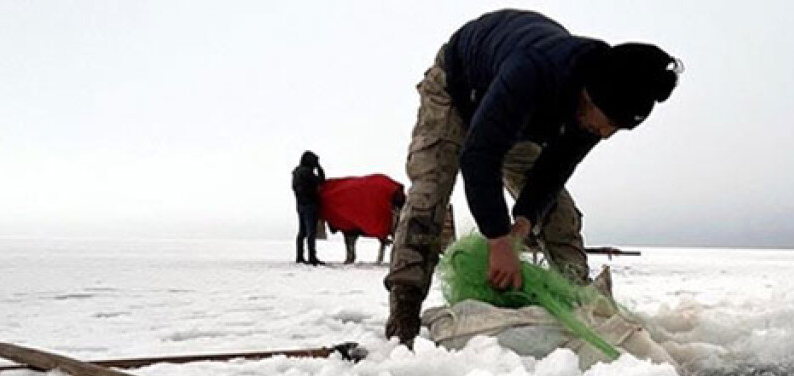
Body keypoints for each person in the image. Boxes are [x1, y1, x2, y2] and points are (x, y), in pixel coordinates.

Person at [382, 9, 681, 346]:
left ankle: (578, 302)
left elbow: (553, 170)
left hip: (521, 120)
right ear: (590, 94)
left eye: (617, 128)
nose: (606, 133)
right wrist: (498, 240)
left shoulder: (593, 115)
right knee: (430, 193)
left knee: (559, 214)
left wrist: (524, 220)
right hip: (458, 90)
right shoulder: (532, 71)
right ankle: (404, 310)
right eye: (608, 122)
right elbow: (480, 157)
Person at [292, 151, 326, 265]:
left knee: (302, 232)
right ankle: (312, 257)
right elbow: (321, 181)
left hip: (300, 205)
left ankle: (300, 256)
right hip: (310, 205)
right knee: (311, 232)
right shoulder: (307, 173)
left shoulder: (296, 173)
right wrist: (319, 168)